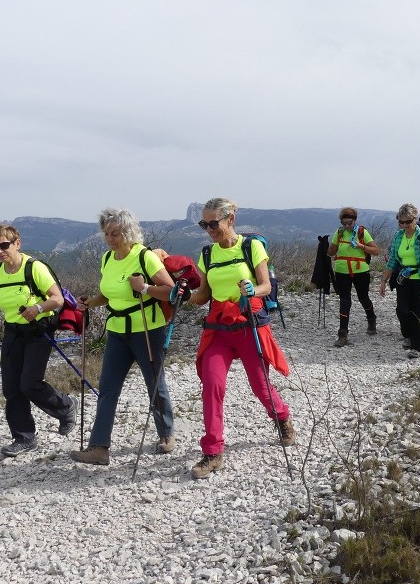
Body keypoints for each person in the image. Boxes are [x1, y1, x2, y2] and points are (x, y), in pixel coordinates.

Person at [187, 197, 294, 480]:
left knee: (260, 386)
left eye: (214, 223)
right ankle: (212, 452)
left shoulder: (251, 246)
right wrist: (184, 294)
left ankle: (282, 416)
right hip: (219, 328)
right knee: (211, 385)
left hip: (248, 323)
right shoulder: (207, 254)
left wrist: (252, 289)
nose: (209, 229)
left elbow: (265, 286)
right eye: (204, 224)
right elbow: (204, 295)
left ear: (230, 219)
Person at [70, 208, 180, 466]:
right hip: (117, 331)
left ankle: (166, 434)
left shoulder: (145, 257)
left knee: (154, 384)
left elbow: (170, 292)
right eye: (106, 232)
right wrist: (90, 302)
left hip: (147, 329)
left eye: (115, 232)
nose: (110, 237)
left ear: (128, 232)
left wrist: (144, 288)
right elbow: (109, 295)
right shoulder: (107, 259)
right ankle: (99, 448)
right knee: (107, 389)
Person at [0, 224, 77, 457]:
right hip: (13, 333)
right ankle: (24, 438)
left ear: (17, 243)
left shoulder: (34, 268)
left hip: (39, 331)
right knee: (11, 388)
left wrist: (37, 308)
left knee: (29, 384)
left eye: (4, 245)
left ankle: (65, 406)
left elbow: (57, 299)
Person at [378, 203, 420, 359]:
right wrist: (384, 281)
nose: (404, 225)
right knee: (402, 310)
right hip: (403, 279)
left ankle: (417, 347)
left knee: (419, 312)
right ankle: (408, 335)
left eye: (408, 222)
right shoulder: (399, 236)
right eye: (401, 222)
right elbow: (392, 260)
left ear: (415, 219)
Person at [327, 207, 380, 347]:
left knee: (363, 297)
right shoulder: (339, 233)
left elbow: (376, 251)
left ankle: (371, 319)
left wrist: (361, 246)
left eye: (349, 223)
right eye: (344, 223)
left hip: (360, 271)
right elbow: (330, 252)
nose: (346, 226)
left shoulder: (362, 232)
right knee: (345, 301)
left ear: (355, 221)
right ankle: (342, 334)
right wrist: (328, 246)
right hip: (341, 271)